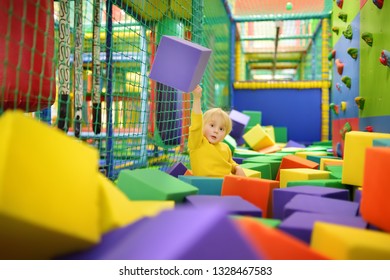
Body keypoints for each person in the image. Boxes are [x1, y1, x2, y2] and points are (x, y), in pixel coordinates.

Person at [188, 85, 246, 177]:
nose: (216, 131)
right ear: (202, 126)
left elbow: (231, 163)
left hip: (227, 183)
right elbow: (196, 124)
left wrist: (237, 168)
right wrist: (197, 98)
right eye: (212, 125)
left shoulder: (225, 147)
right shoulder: (198, 143)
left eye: (221, 129)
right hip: (207, 185)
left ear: (225, 134)